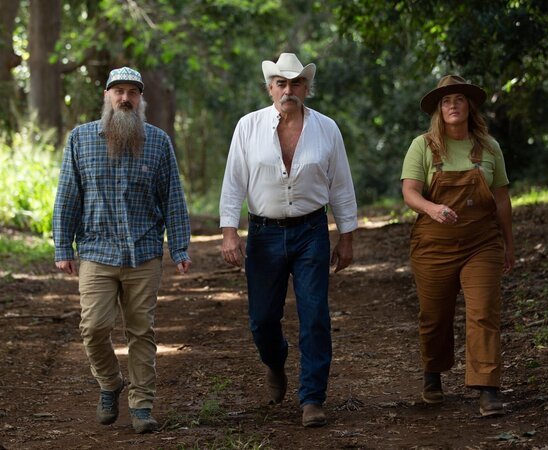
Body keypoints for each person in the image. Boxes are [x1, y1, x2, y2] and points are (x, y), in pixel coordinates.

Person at [219, 52, 357, 428]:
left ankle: (312, 397)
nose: (289, 90)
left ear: (306, 88)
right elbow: (234, 181)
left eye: (296, 83)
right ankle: (275, 362)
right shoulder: (248, 126)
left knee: (314, 315)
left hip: (311, 231)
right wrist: (229, 231)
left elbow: (341, 185)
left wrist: (347, 236)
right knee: (262, 320)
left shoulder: (327, 129)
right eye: (281, 83)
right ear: (270, 88)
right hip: (263, 233)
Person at [52, 66, 192, 433]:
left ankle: (142, 406)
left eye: (132, 92)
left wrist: (179, 248)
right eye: (119, 91)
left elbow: (173, 199)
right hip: (97, 251)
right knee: (94, 327)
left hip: (144, 253)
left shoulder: (158, 142)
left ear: (140, 99)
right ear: (107, 96)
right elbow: (68, 194)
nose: (125, 98)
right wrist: (62, 245)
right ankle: (110, 383)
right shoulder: (80, 139)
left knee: (141, 331)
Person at [400, 75, 515, 417]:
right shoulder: (422, 146)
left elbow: (503, 199)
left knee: (483, 312)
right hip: (434, 244)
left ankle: (487, 388)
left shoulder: (489, 147)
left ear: (469, 106)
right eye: (446, 100)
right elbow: (410, 192)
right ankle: (433, 373)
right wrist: (432, 208)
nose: (452, 104)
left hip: (482, 243)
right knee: (435, 317)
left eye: (459, 99)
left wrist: (509, 244)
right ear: (439, 109)